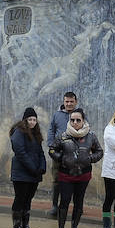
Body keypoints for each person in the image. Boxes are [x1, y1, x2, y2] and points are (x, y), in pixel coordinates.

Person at [49, 109, 101, 228]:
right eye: (72, 120)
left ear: (83, 121)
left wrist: (90, 159)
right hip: (66, 175)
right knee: (64, 201)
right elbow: (51, 150)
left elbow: (99, 151)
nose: (75, 122)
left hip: (83, 175)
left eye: (78, 120)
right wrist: (60, 158)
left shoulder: (91, 136)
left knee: (79, 202)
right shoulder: (62, 135)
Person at [9, 107, 46, 228]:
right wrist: (33, 168)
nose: (32, 122)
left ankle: (26, 225)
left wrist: (42, 167)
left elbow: (40, 153)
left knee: (28, 199)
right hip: (21, 173)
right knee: (20, 198)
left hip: (34, 174)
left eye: (34, 119)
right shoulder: (18, 132)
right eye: (30, 119)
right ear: (25, 120)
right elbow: (21, 153)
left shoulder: (36, 134)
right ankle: (17, 226)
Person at [46, 91, 79, 219]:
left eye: (71, 101)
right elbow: (51, 130)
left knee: (75, 180)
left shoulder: (80, 115)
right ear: (63, 102)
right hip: (59, 152)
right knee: (56, 180)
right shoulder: (57, 115)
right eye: (67, 101)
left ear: (76, 102)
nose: (69, 104)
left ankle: (73, 206)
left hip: (74, 154)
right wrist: (51, 145)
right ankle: (55, 206)